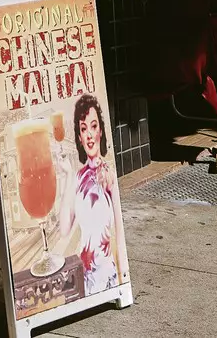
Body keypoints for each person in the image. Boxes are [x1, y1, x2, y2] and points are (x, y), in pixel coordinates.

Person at [71, 94, 120, 294]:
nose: (89, 134)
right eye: (84, 129)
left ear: (101, 130)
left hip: (108, 275)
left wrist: (123, 275)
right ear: (79, 136)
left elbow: (118, 227)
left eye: (93, 126)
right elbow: (66, 227)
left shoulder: (107, 174)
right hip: (87, 277)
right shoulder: (78, 178)